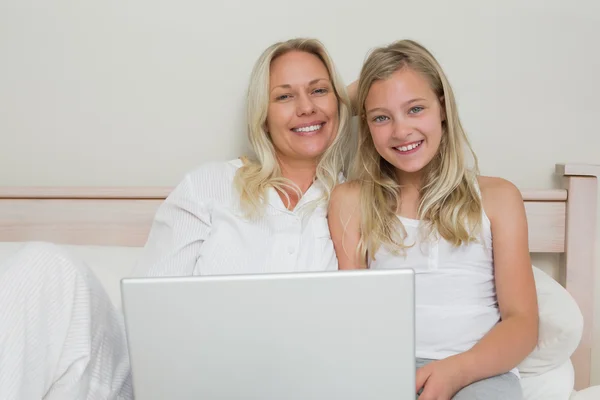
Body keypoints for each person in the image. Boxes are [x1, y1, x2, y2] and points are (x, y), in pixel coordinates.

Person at [0, 37, 352, 400]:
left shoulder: (361, 205)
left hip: (292, 388)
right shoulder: (210, 186)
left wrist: (348, 102)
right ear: (262, 115)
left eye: (319, 90)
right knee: (45, 265)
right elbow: (147, 317)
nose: (306, 107)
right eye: (284, 96)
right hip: (170, 384)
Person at [328, 39, 539, 400]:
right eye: (381, 117)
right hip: (387, 369)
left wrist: (456, 372)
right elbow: (358, 317)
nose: (400, 131)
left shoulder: (498, 198)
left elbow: (523, 322)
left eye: (415, 109)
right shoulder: (351, 200)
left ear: (443, 106)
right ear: (365, 124)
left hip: (478, 371)